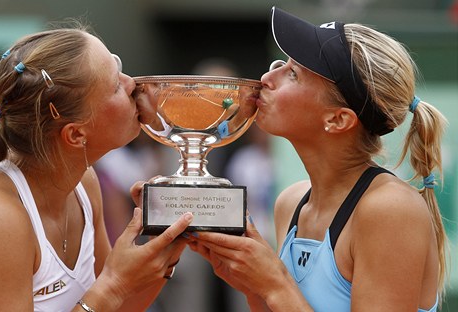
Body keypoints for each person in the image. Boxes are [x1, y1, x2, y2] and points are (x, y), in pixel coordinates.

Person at [0, 25, 194, 311]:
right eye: (115, 84)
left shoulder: (83, 184)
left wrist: (165, 244)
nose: (132, 83)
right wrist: (115, 283)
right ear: (76, 134)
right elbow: (110, 294)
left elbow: (117, 308)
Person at [186, 6, 448, 312]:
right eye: (280, 64)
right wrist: (252, 286)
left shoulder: (389, 209)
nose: (267, 77)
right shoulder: (291, 201)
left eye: (293, 74)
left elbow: (284, 294)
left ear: (338, 120)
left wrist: (274, 282)